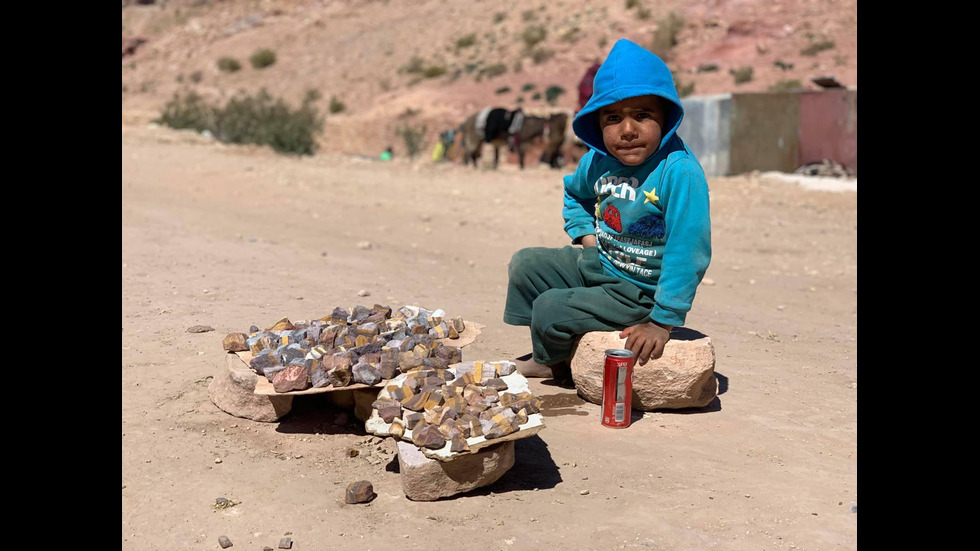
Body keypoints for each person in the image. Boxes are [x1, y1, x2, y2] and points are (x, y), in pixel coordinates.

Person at [503, 38, 712, 383]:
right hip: (602, 261)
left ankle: (552, 360)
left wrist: (662, 321)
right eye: (613, 118)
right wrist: (585, 236)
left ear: (666, 117)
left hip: (640, 290)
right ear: (598, 123)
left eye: (642, 115)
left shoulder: (679, 172)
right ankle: (551, 351)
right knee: (526, 264)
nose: (627, 130)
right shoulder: (599, 160)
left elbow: (688, 251)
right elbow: (575, 192)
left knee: (550, 307)